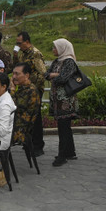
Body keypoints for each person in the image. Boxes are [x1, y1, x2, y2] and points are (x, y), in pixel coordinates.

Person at [45, 38, 80, 167]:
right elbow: (46, 74)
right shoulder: (57, 61)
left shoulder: (69, 61)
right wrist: (54, 74)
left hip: (66, 100)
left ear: (62, 48)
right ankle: (70, 152)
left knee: (64, 127)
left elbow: (63, 78)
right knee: (64, 127)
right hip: (57, 100)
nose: (53, 50)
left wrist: (53, 75)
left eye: (55, 47)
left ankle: (62, 155)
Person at [12, 31, 47, 156]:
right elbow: (17, 67)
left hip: (34, 90)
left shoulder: (35, 54)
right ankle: (29, 142)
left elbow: (43, 73)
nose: (18, 45)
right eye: (17, 43)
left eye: (20, 43)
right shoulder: (22, 53)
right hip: (24, 89)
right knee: (25, 116)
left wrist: (31, 84)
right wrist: (15, 55)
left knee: (35, 117)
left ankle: (38, 145)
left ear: (27, 42)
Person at [10, 63, 40, 147]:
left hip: (19, 130)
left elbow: (13, 107)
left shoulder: (30, 91)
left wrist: (12, 89)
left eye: (17, 74)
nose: (14, 77)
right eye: (13, 74)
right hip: (15, 124)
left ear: (26, 75)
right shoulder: (23, 88)